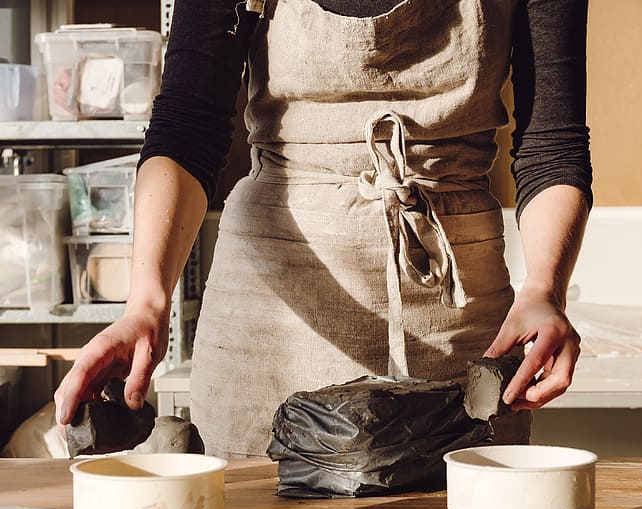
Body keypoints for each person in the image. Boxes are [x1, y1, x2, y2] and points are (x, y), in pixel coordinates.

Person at [55, 0, 592, 457]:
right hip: (270, 307)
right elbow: (187, 124)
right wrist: (145, 302)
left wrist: (545, 287)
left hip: (453, 301)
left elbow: (553, 141)